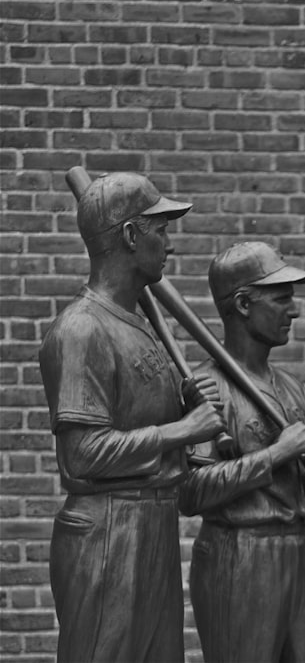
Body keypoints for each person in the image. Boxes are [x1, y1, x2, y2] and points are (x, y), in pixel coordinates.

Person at [39, 172, 226, 661]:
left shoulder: (140, 326)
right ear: (128, 236)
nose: (168, 244)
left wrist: (185, 403)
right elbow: (81, 457)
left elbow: (146, 428)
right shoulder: (81, 330)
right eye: (159, 230)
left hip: (152, 524)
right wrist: (184, 428)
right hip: (107, 532)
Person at [178, 241, 305, 663]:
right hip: (240, 556)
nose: (293, 310)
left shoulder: (292, 388)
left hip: (301, 552)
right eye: (281, 298)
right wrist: (275, 456)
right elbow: (191, 492)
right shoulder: (206, 389)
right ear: (242, 303)